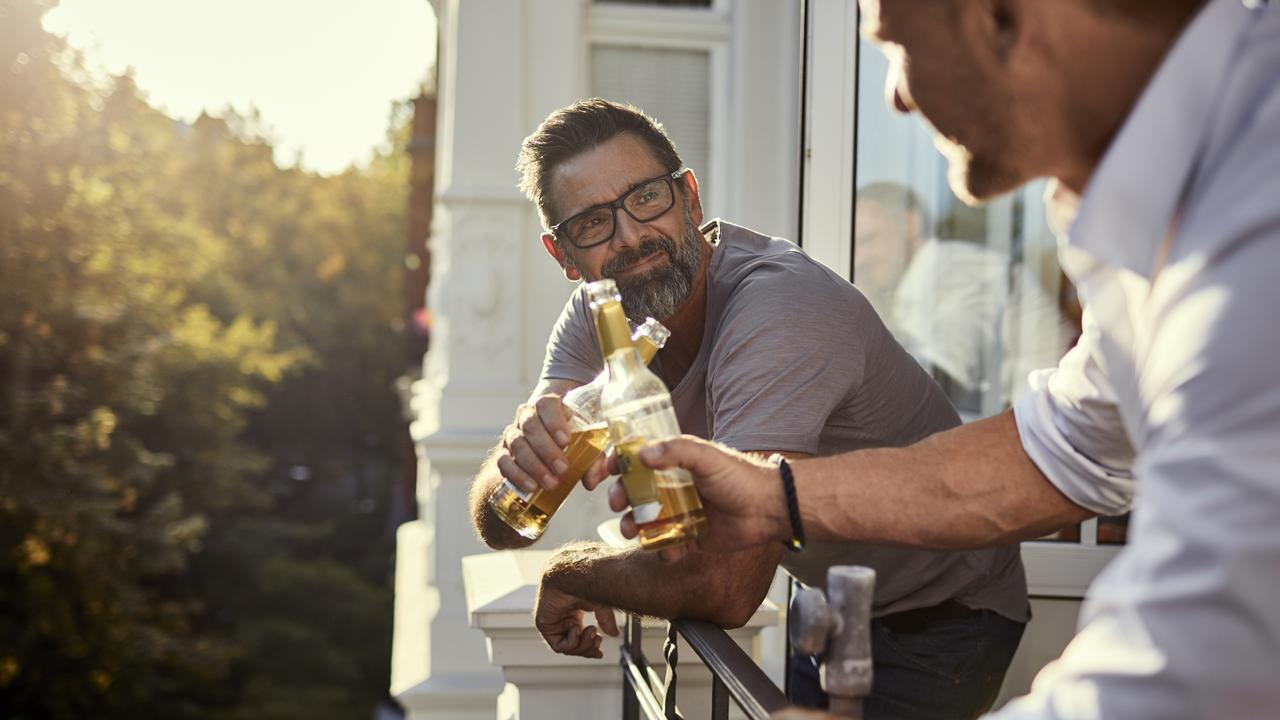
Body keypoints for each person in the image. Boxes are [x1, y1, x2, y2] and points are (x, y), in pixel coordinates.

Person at [606, 0, 1280, 717]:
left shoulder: (1252, 229)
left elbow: (1200, 671)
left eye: (895, 45)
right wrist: (774, 495)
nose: (894, 95)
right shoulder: (1162, 204)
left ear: (1005, 16)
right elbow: (1057, 450)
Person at [466, 98, 1028, 718]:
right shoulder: (600, 312)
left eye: (646, 198)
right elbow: (504, 520)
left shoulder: (779, 308)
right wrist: (523, 448)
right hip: (826, 598)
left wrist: (572, 571)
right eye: (594, 224)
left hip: (944, 608)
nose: (631, 236)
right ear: (564, 254)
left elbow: (726, 587)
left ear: (689, 197)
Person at [855, 182, 1077, 418]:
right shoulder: (903, 285)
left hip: (1050, 427)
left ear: (910, 224)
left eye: (867, 240)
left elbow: (936, 382)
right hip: (1024, 423)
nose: (859, 260)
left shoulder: (959, 271)